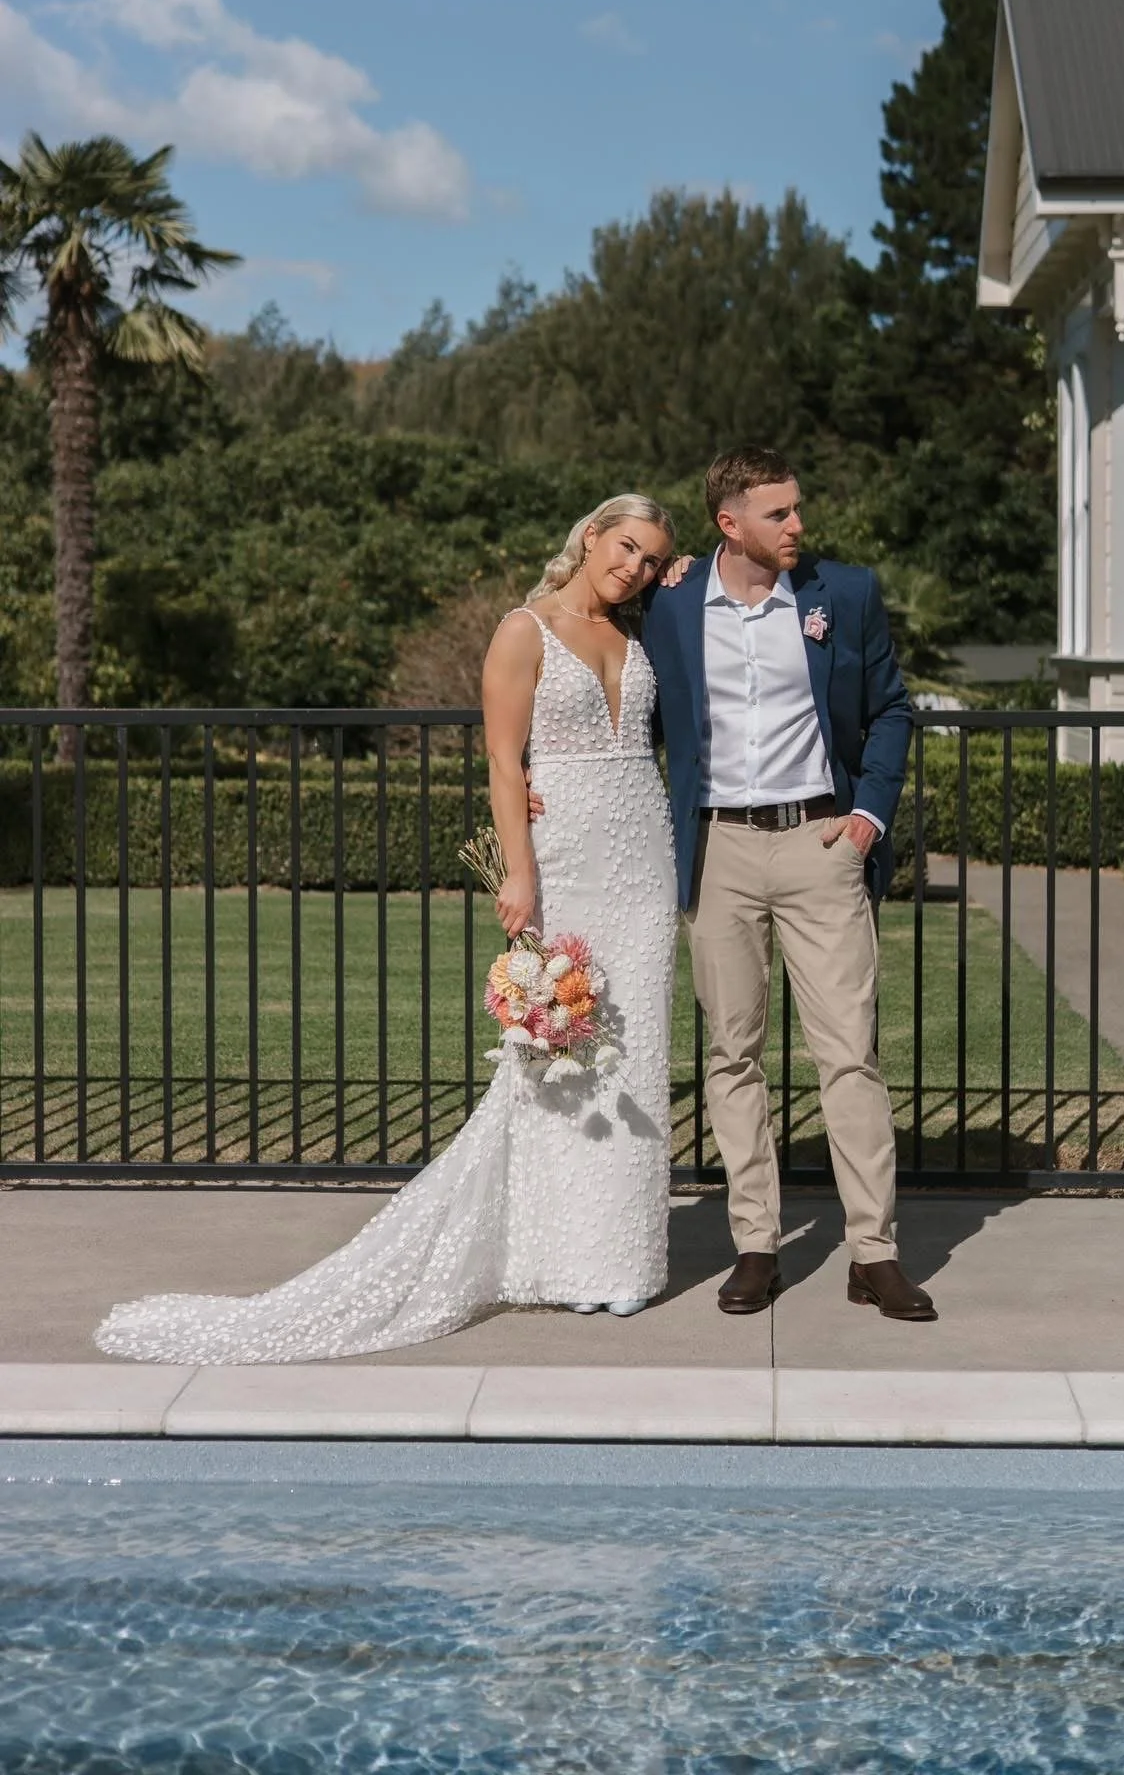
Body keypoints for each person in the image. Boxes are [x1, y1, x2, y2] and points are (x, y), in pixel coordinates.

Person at [95, 495, 678, 1363]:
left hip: (645, 855)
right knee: (561, 1046)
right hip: (566, 861)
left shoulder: (645, 634)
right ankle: (561, 1255)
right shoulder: (523, 631)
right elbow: (503, 760)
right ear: (591, 535)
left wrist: (689, 573)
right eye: (625, 547)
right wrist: (518, 872)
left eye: (650, 560)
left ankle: (620, 1253)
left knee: (635, 1049)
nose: (632, 567)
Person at [641, 446, 936, 1322]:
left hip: (819, 842)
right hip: (718, 850)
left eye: (797, 509)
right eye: (778, 514)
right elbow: (597, 661)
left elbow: (890, 708)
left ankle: (873, 1253)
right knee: (733, 1053)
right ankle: (756, 1245)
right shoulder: (670, 602)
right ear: (729, 523)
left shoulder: (842, 594)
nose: (797, 525)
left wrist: (867, 819)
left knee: (849, 1054)